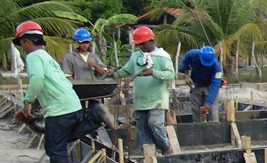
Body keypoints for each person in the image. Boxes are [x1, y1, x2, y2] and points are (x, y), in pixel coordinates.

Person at [14, 21, 98, 163]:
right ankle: (95, 118)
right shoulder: (46, 56)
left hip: (58, 109)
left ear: (27, 41)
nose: (23, 48)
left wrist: (27, 102)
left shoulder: (33, 57)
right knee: (65, 137)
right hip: (72, 104)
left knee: (54, 147)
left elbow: (37, 80)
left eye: (22, 44)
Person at [113, 26, 175, 155]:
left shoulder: (162, 57)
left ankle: (165, 147)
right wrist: (112, 73)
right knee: (142, 127)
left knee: (155, 123)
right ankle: (148, 154)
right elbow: (126, 70)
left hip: (157, 98)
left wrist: (153, 72)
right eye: (138, 44)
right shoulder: (136, 57)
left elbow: (170, 75)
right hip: (141, 99)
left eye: (142, 44)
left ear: (151, 40)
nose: (141, 46)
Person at [61, 27, 117, 132]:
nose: (85, 45)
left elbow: (104, 73)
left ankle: (102, 126)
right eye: (82, 43)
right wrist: (76, 87)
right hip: (78, 92)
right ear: (77, 42)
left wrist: (95, 66)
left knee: (97, 109)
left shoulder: (93, 57)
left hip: (93, 90)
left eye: (87, 42)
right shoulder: (70, 58)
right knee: (78, 114)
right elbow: (67, 75)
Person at [178, 45, 223, 122]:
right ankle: (197, 128)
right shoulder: (193, 54)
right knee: (195, 109)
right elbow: (184, 61)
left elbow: (215, 86)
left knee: (213, 110)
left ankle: (214, 127)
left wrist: (208, 104)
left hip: (210, 86)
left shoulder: (217, 68)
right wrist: (186, 75)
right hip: (196, 84)